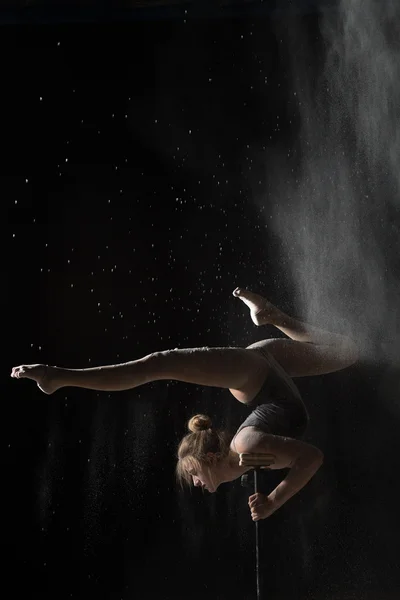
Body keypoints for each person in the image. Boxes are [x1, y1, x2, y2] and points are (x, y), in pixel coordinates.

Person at [11, 287, 358, 521]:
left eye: (192, 474)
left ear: (210, 458)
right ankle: (271, 315)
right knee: (350, 351)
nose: (194, 484)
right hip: (269, 376)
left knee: (160, 363)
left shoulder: (247, 448)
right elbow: (303, 457)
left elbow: (311, 458)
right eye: (192, 476)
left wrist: (273, 501)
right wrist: (269, 499)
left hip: (255, 376)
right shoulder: (247, 458)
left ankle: (58, 376)